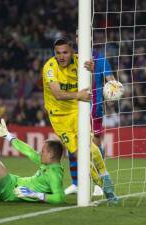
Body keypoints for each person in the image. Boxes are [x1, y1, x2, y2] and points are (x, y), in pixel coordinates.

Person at [42, 37, 118, 203]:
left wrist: (91, 72)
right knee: (78, 155)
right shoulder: (49, 67)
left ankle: (106, 182)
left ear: (72, 52)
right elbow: (57, 94)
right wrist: (79, 95)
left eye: (65, 52)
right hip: (59, 117)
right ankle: (103, 186)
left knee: (90, 146)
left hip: (77, 111)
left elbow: (89, 84)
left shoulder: (80, 62)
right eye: (58, 53)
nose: (61, 56)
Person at [65, 31, 117, 196]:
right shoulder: (71, 58)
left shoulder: (100, 58)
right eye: (78, 35)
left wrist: (114, 88)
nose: (80, 38)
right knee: (71, 144)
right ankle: (76, 183)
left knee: (94, 144)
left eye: (84, 35)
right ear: (76, 38)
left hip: (95, 106)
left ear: (90, 38)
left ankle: (99, 184)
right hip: (74, 106)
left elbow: (111, 81)